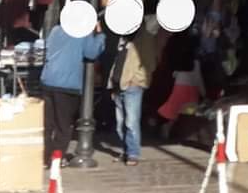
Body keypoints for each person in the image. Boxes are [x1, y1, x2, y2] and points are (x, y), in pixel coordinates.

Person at [40, 13, 105, 166]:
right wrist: (100, 35)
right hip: (67, 85)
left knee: (47, 124)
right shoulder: (82, 33)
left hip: (48, 80)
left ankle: (45, 157)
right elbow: (91, 53)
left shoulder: (56, 30)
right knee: (63, 126)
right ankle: (56, 158)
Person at [110, 12, 163, 167]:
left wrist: (136, 80)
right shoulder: (123, 37)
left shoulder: (144, 38)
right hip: (119, 84)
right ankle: (126, 150)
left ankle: (133, 153)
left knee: (131, 121)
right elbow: (118, 61)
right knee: (120, 123)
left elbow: (150, 64)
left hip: (132, 85)